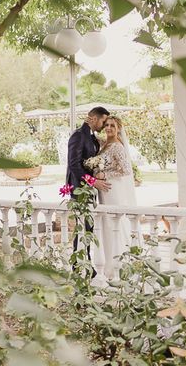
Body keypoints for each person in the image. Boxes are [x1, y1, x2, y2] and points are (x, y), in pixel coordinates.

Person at [66, 106, 111, 261]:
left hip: (89, 190)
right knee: (82, 229)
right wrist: (93, 181)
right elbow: (74, 165)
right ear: (93, 118)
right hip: (79, 190)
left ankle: (87, 263)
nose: (105, 125)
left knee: (88, 229)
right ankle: (78, 266)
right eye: (103, 121)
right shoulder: (78, 136)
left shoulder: (91, 137)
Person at [94, 116, 137, 274]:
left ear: (118, 128)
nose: (109, 128)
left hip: (114, 189)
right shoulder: (104, 144)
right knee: (107, 223)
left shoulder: (118, 146)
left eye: (112, 125)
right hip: (104, 191)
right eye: (106, 125)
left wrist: (105, 175)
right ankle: (109, 262)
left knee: (115, 223)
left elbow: (125, 170)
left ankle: (122, 263)